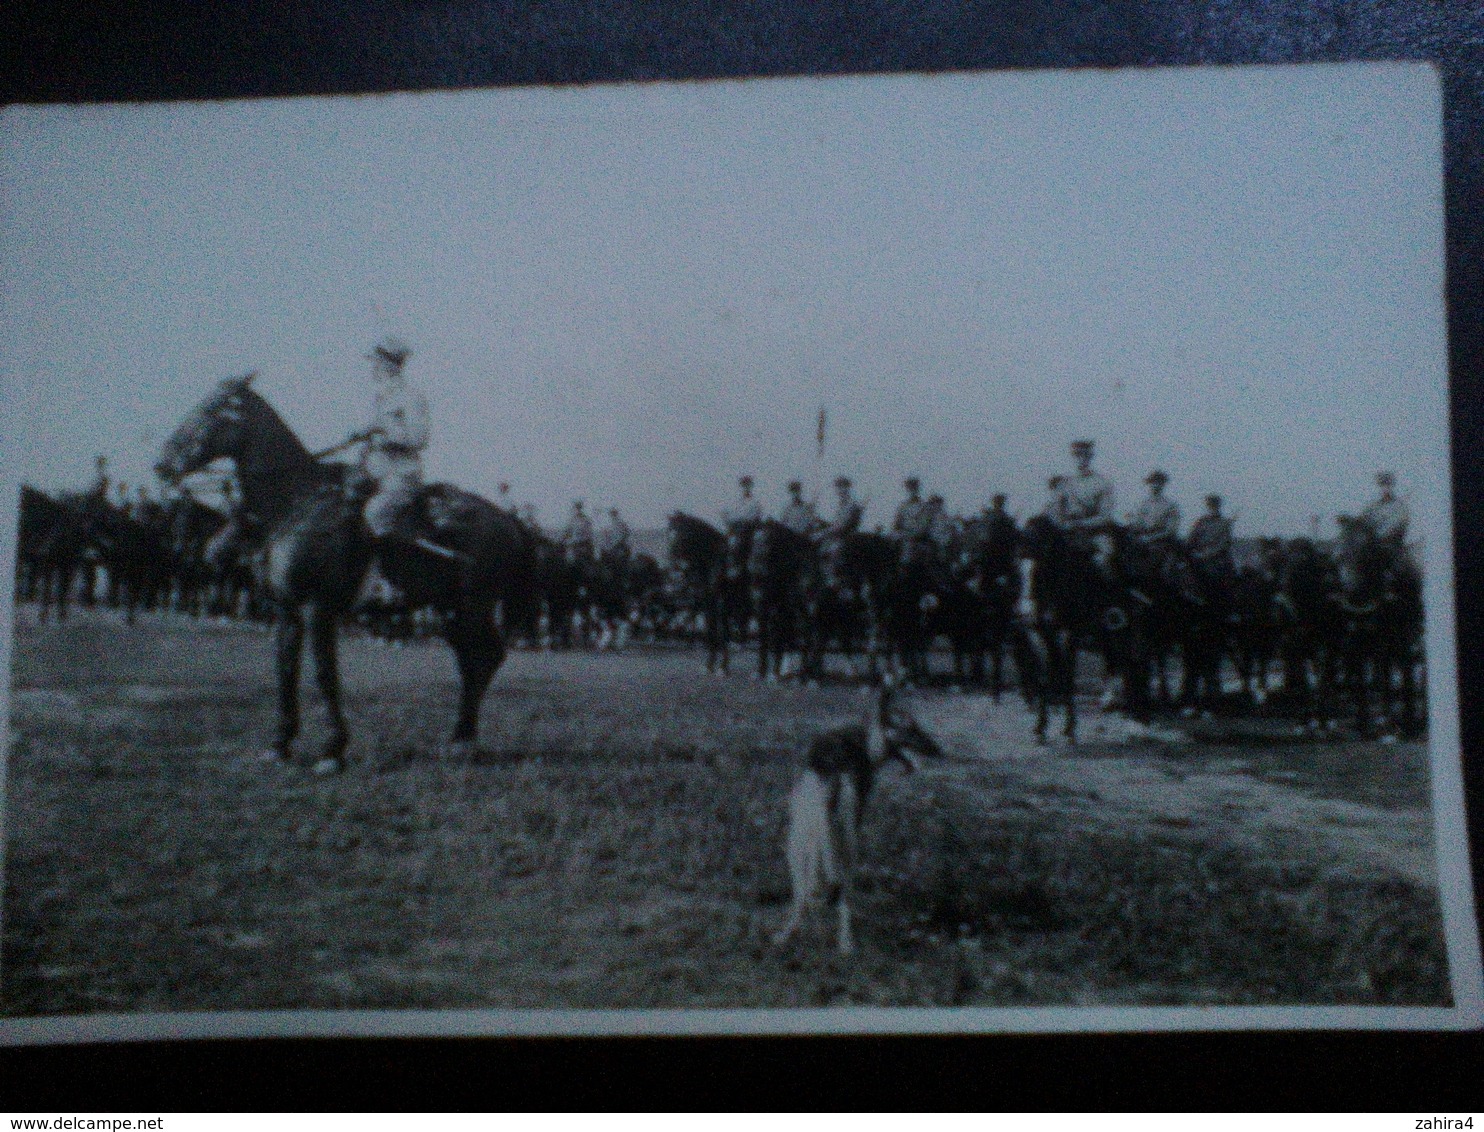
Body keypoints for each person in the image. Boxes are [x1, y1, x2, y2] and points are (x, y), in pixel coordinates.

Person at [359, 337, 436, 546]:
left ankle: (385, 574)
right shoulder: (382, 396)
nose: (373, 367)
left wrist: (384, 435)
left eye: (375, 362)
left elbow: (419, 438)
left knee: (375, 514)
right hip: (375, 472)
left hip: (400, 475)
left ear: (387, 365)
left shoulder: (410, 397)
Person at [1187, 494, 1234, 576]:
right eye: (1209, 505)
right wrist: (1193, 552)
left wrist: (1207, 554)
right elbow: (1191, 539)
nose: (1211, 508)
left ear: (1218, 506)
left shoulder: (1224, 523)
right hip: (1198, 555)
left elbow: (1224, 544)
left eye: (1214, 505)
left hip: (1217, 559)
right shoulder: (1200, 522)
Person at [1361, 471, 1409, 546]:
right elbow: (1365, 522)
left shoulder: (1399, 507)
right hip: (1372, 544)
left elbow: (1402, 526)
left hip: (1392, 546)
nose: (1385, 488)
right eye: (1382, 485)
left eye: (1388, 485)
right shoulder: (1372, 507)